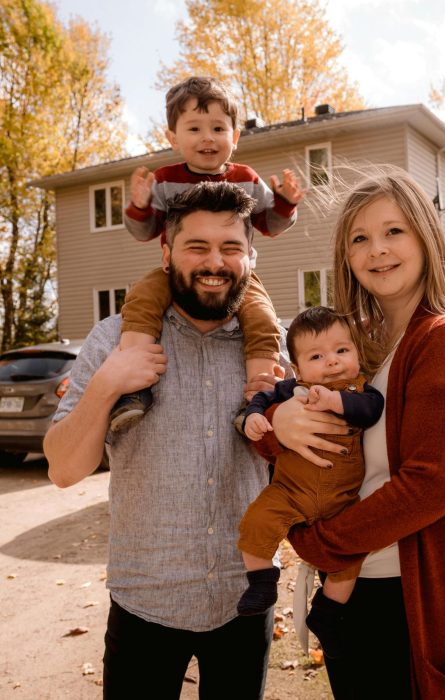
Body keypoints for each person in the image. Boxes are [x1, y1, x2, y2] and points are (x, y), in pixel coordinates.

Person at [255, 168, 445, 699]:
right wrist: (278, 422)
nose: (377, 250)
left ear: (426, 238)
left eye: (394, 232)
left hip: (407, 598)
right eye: (360, 238)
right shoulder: (356, 347)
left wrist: (317, 544)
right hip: (359, 590)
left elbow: (429, 485)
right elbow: (290, 424)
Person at [43, 181, 300, 699]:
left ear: (250, 256)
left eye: (230, 248)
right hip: (145, 600)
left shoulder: (272, 356)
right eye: (197, 247)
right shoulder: (114, 338)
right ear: (166, 253)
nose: (215, 262)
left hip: (244, 598)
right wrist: (108, 383)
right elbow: (63, 470)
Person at [111, 75, 305, 432]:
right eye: (194, 128)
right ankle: (132, 389)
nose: (207, 138)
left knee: (263, 319)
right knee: (141, 300)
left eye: (218, 128)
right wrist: (140, 206)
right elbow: (145, 232)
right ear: (173, 138)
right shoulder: (166, 180)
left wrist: (286, 203)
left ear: (235, 136)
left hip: (239, 279)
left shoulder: (246, 178)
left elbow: (269, 225)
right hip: (176, 275)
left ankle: (259, 399)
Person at [237, 306, 383, 658]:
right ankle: (261, 582)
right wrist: (253, 417)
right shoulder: (291, 390)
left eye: (342, 351)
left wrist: (336, 399)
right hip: (290, 492)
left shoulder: (362, 390)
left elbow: (371, 410)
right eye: (317, 356)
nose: (332, 362)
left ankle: (328, 611)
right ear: (298, 369)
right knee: (256, 521)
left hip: (342, 500)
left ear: (357, 354)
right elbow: (261, 397)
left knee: (350, 557)